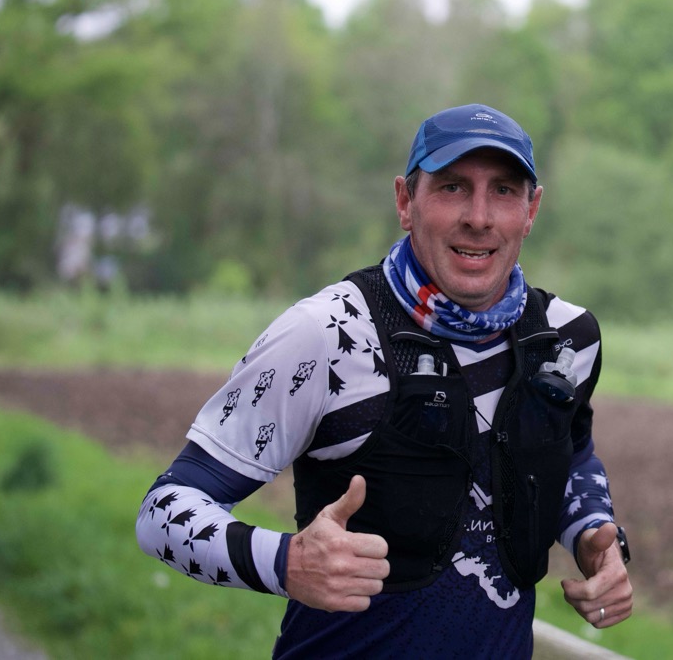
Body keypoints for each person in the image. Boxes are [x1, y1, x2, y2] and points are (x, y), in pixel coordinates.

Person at [136, 104, 633, 658]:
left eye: (503, 191)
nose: (479, 217)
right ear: (404, 201)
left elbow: (571, 454)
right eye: (452, 187)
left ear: (531, 209)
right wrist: (285, 561)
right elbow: (163, 510)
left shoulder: (566, 338)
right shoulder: (325, 335)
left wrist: (592, 533)